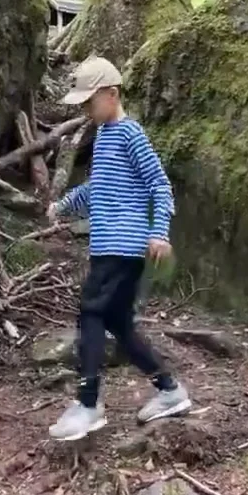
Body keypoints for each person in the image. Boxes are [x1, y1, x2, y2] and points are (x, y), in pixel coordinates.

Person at [46, 56, 192, 442]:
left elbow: (160, 186)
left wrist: (158, 233)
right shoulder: (106, 137)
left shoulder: (130, 133)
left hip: (123, 244)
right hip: (108, 245)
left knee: (90, 312)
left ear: (112, 94)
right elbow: (97, 190)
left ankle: (89, 404)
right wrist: (62, 207)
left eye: (91, 101)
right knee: (119, 324)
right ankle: (170, 390)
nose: (87, 110)